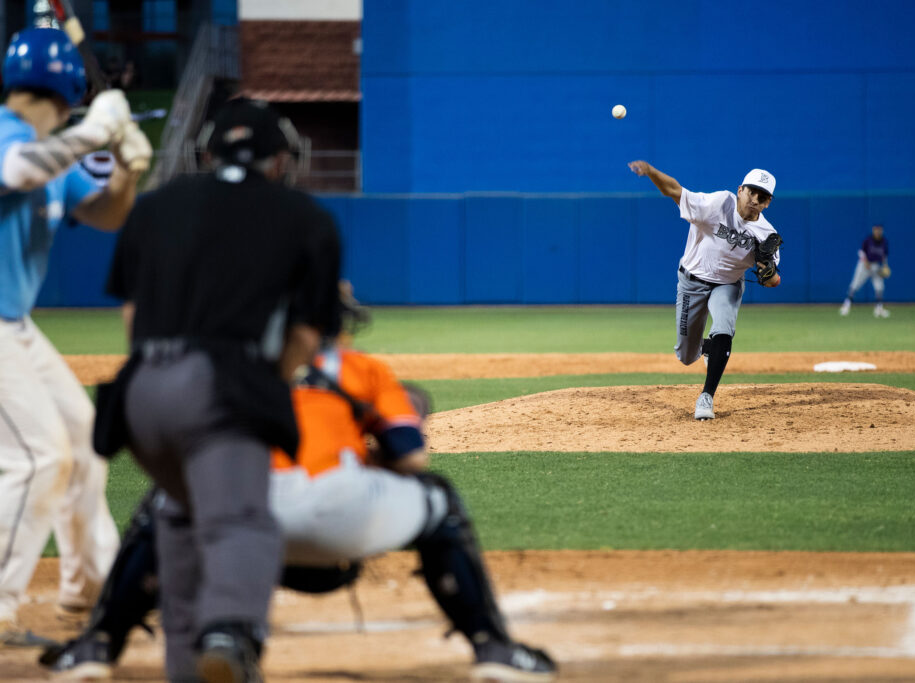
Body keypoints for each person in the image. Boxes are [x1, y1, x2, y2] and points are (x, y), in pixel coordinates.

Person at [41, 292, 558, 683]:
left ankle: (99, 646)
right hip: (340, 526)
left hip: (238, 528)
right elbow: (411, 455)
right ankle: (492, 647)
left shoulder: (223, 367)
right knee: (438, 496)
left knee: (168, 499)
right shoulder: (360, 367)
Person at [101, 98, 342, 682]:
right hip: (218, 388)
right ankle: (229, 632)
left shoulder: (153, 209)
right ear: (280, 158)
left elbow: (133, 318)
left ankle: (188, 664)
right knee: (241, 523)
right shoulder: (304, 215)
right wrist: (264, 385)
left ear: (206, 151)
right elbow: (308, 334)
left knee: (183, 523)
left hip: (137, 397)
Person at [0, 27, 151, 646]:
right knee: (39, 458)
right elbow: (19, 172)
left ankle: (90, 591)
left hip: (17, 325)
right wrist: (92, 133)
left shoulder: (51, 148)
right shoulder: (15, 142)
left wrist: (128, 163)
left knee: (87, 444)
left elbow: (109, 215)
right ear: (69, 91)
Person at [629, 162, 782, 420]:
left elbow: (773, 280)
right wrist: (652, 172)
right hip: (693, 281)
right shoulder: (718, 204)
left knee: (723, 326)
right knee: (686, 354)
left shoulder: (766, 234)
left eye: (762, 196)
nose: (755, 200)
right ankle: (708, 348)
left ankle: (706, 396)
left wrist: (768, 274)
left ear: (768, 203)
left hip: (728, 284)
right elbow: (674, 191)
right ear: (740, 190)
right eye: (751, 192)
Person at [839, 223, 891, 318]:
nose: (877, 231)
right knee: (855, 284)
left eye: (879, 229)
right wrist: (865, 262)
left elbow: (884, 256)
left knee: (879, 287)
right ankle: (846, 306)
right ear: (873, 230)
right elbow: (861, 252)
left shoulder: (884, 241)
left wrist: (885, 266)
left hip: (876, 266)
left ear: (882, 230)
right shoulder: (868, 240)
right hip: (864, 266)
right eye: (876, 229)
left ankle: (879, 308)